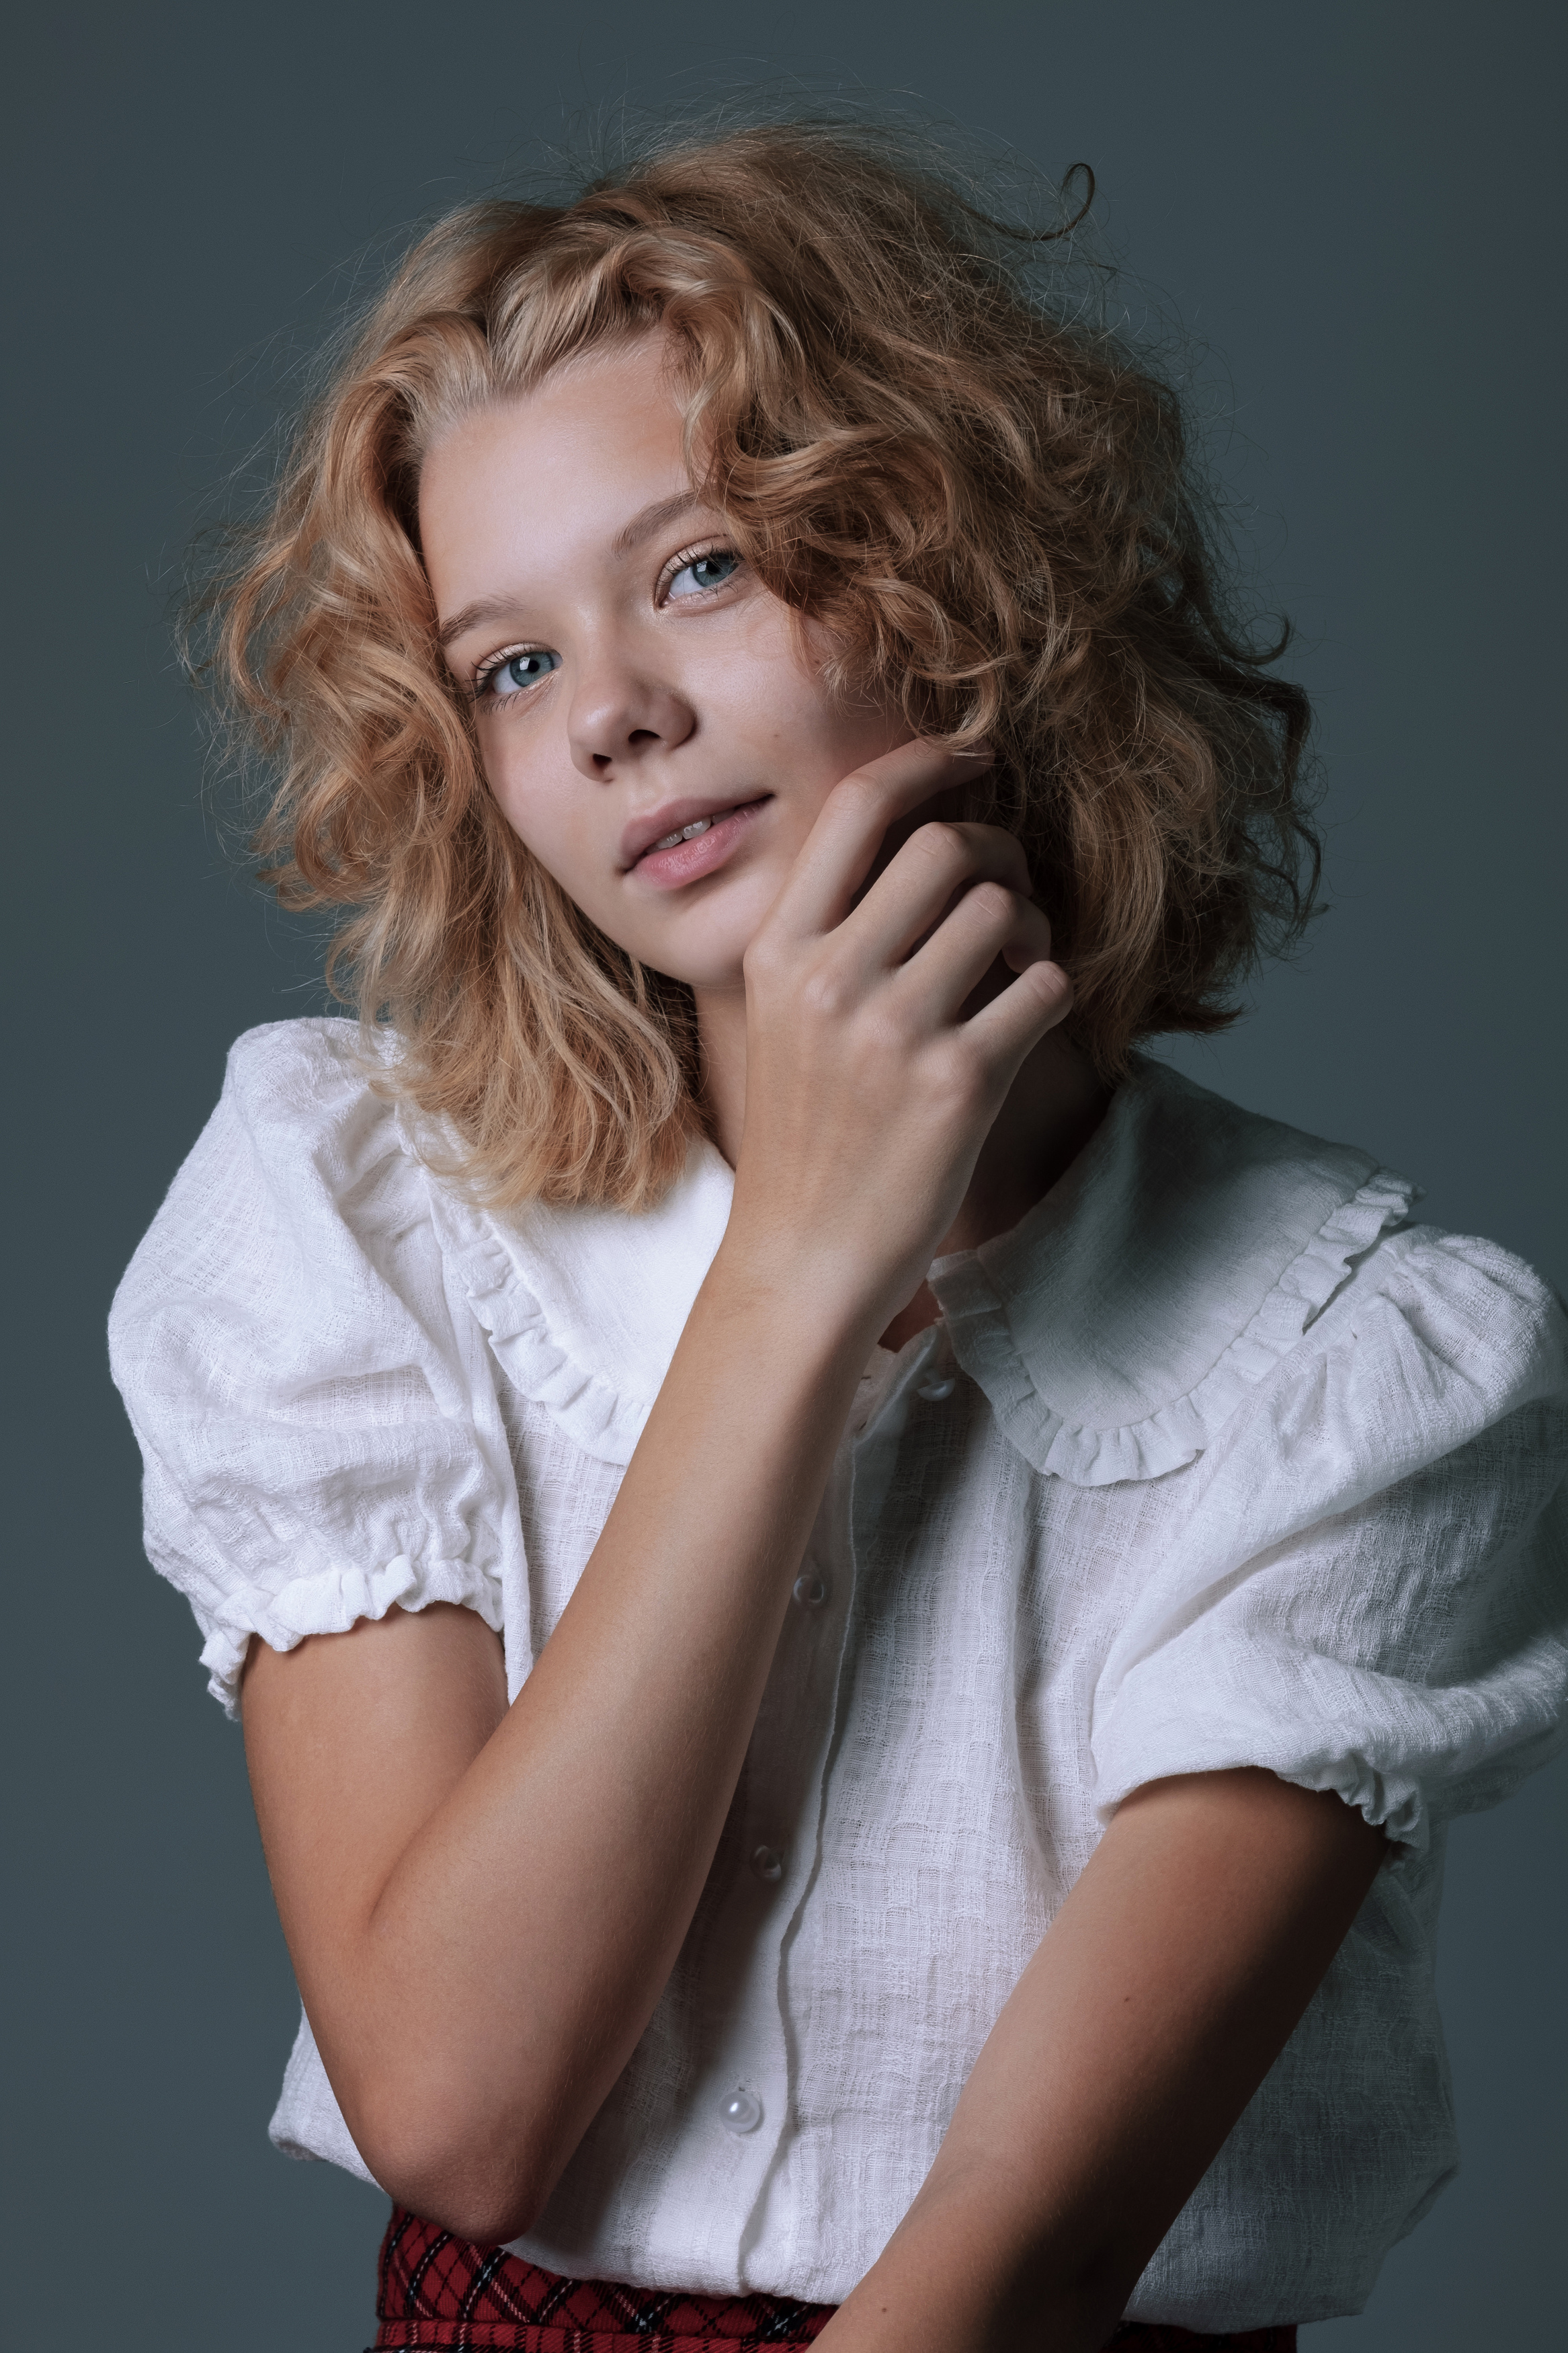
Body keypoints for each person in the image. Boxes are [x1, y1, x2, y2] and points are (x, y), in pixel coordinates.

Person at [110, 121, 1567, 2353]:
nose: (616, 711)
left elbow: (1021, 2262)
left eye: (700, 568)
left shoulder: (1361, 1368)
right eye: (511, 665)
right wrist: (794, 1270)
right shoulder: (353, 1209)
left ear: (958, 576)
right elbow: (459, 2110)